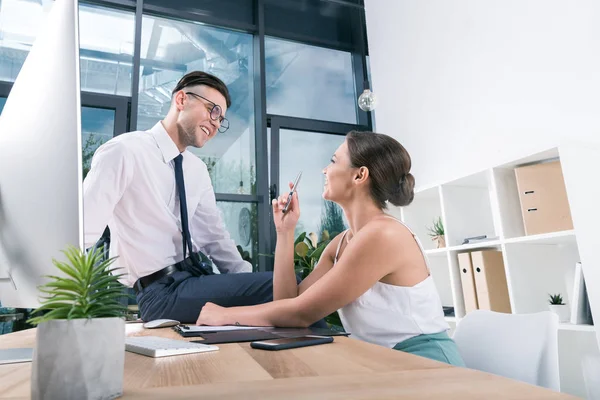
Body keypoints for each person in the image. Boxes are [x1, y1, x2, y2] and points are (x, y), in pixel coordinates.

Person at [196, 131, 465, 366]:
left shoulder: (383, 234)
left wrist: (225, 315)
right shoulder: (341, 243)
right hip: (383, 363)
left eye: (333, 161)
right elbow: (288, 303)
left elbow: (301, 314)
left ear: (360, 175)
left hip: (428, 367)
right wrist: (285, 232)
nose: (325, 170)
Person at [83, 71, 274, 323]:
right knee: (280, 286)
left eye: (221, 119)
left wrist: (244, 280)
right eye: (212, 110)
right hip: (159, 294)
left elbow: (214, 237)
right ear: (181, 100)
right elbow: (81, 230)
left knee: (285, 287)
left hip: (194, 279)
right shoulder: (124, 152)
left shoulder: (197, 169)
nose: (216, 123)